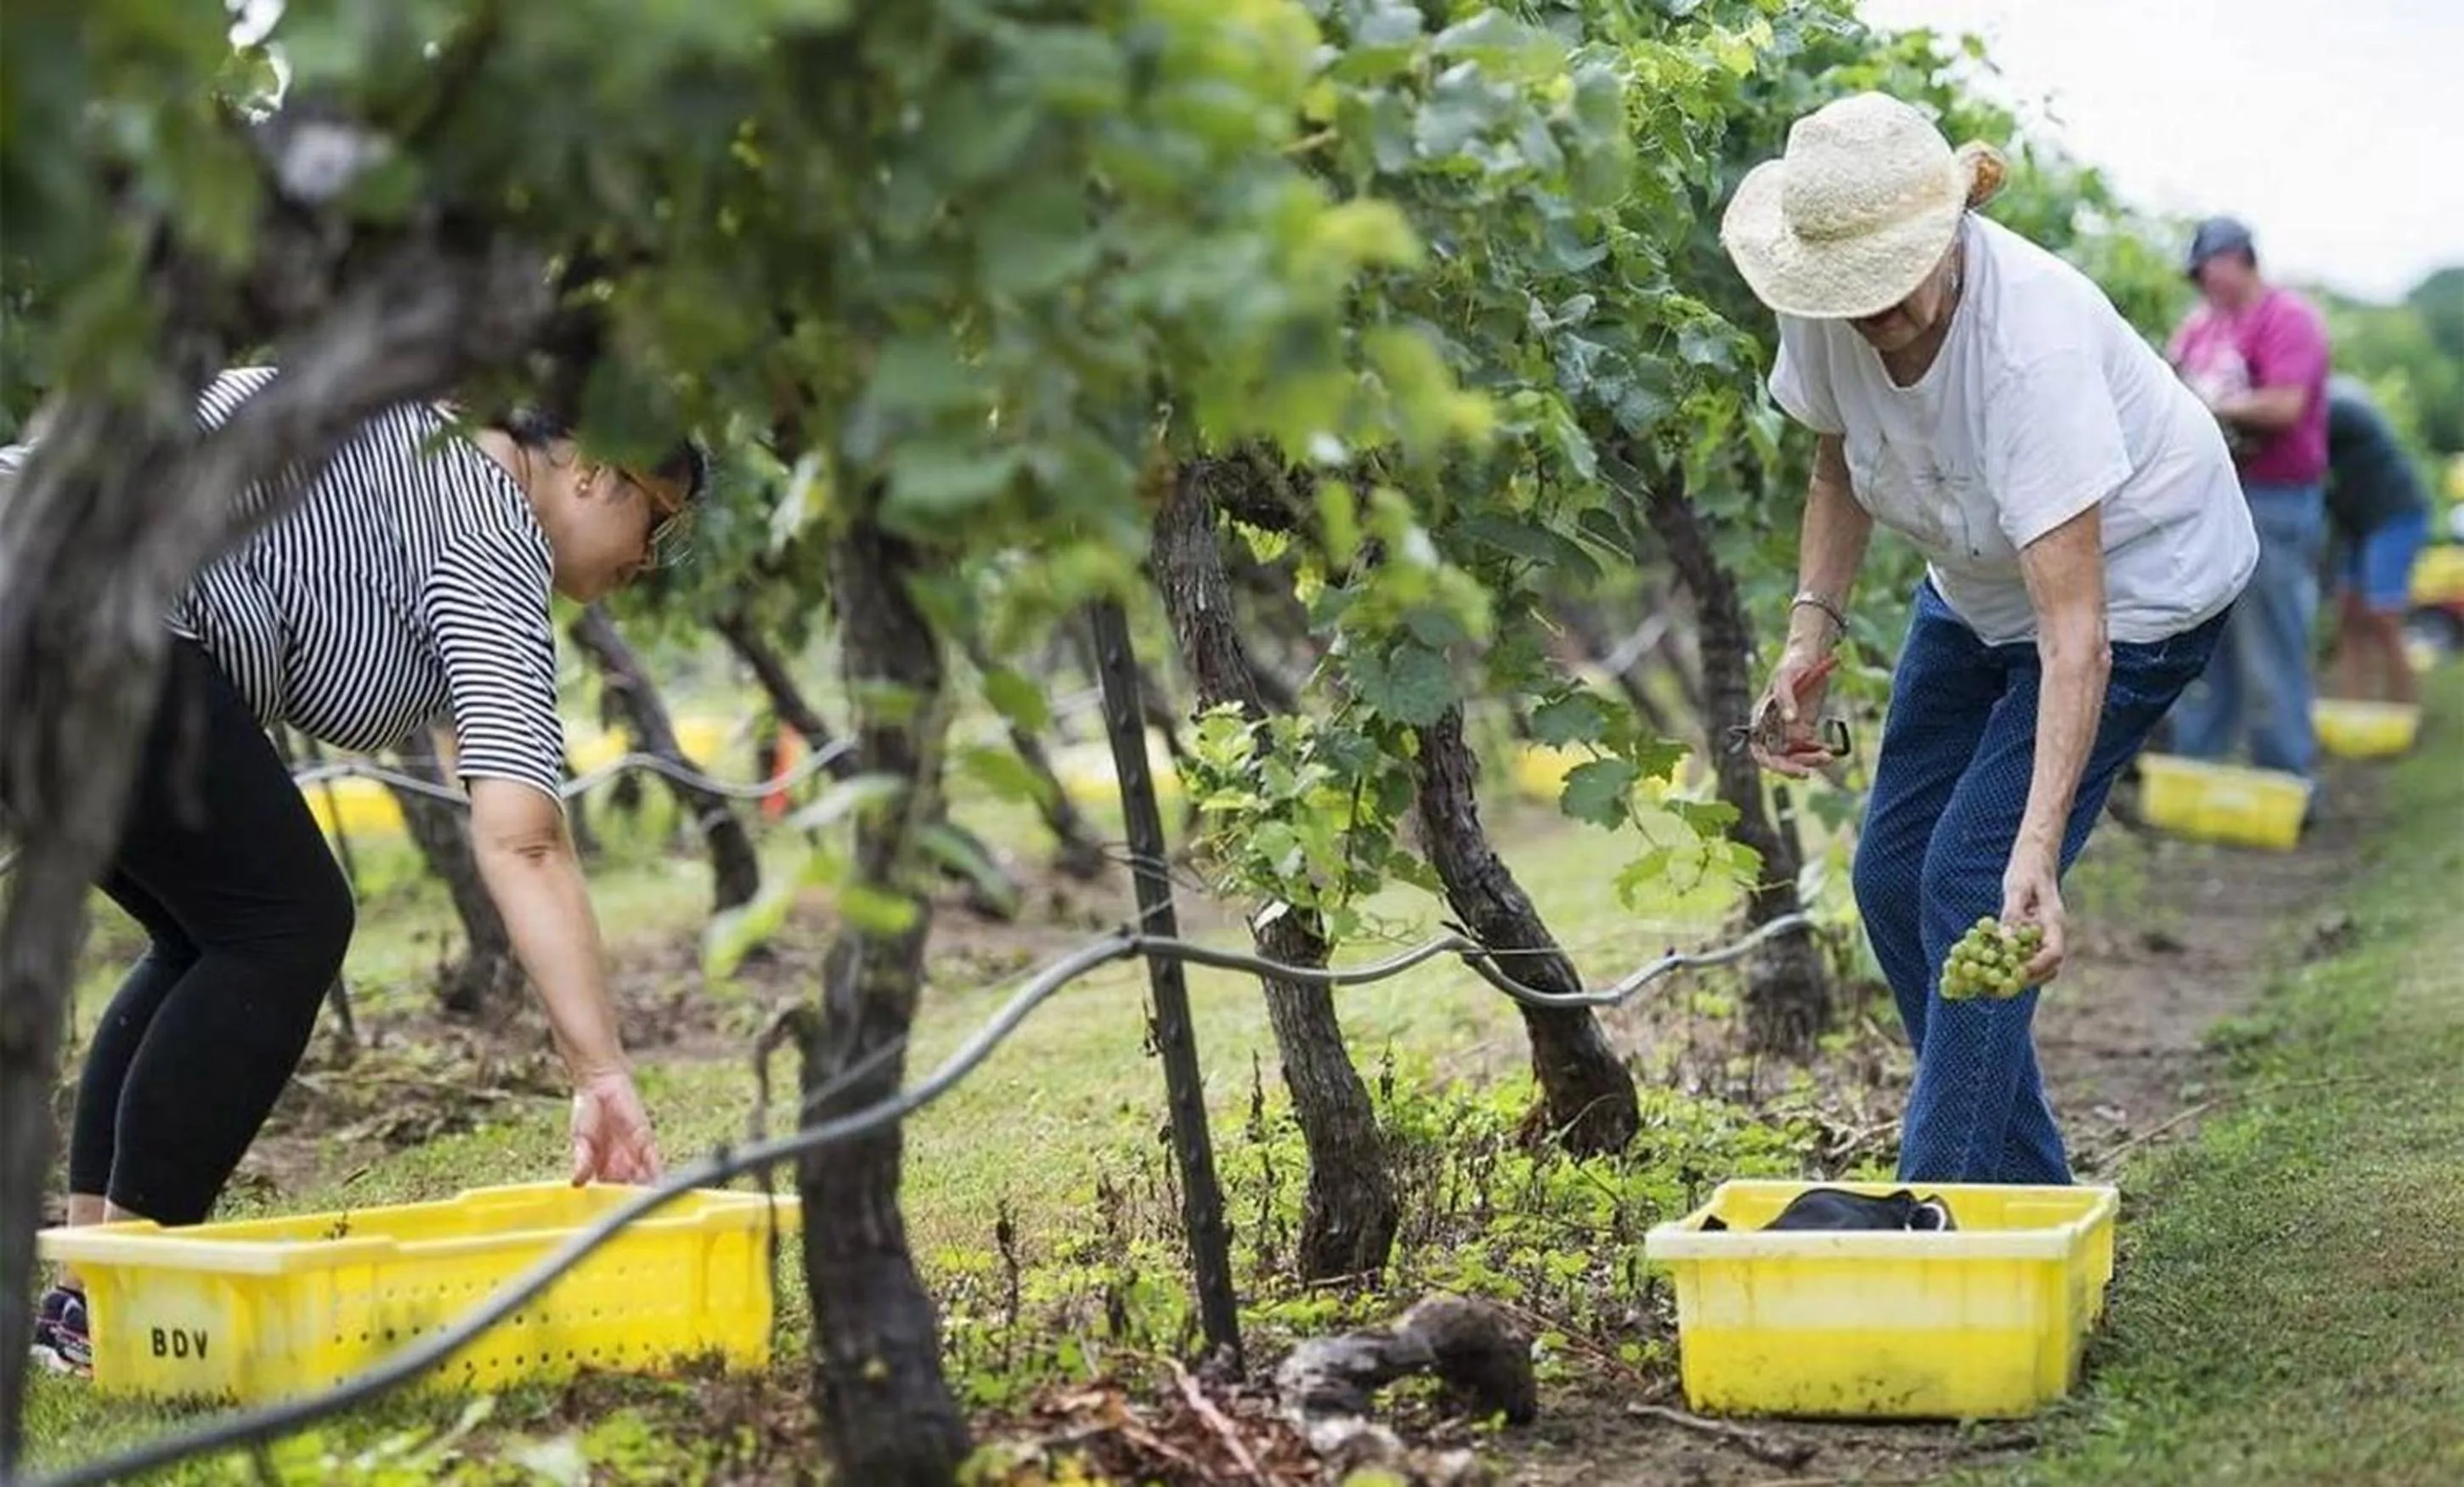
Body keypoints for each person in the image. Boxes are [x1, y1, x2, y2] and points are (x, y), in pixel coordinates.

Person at [1, 368, 703, 1376]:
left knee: (210, 933)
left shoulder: (408, 433)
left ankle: (84, 1296)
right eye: (660, 519)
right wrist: (600, 1073)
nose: (650, 557)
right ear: (593, 471)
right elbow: (525, 839)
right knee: (286, 930)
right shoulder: (490, 525)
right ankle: (114, 1309)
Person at [1718, 93, 2257, 1185]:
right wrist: (1803, 634)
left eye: (1888, 279)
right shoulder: (1821, 297)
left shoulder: (2029, 350)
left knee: (1972, 881)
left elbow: (2076, 631)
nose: (1866, 310)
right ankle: (2032, 1193)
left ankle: (1940, 1209)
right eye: (1846, 288)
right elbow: (1836, 463)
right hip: (1973, 585)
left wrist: (2036, 849)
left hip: (2138, 594)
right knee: (1885, 878)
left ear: (1948, 233)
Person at [2163, 216, 2334, 780]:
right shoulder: (2201, 326)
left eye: (2210, 269)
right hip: (2213, 500)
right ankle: (2198, 765)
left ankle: (2287, 775)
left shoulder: (2289, 319)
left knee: (2272, 642)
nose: (2204, 283)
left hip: (2276, 500)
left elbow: (2286, 405)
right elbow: (2169, 384)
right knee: (2208, 641)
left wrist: (2211, 403)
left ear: (2240, 258)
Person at [2321, 374, 2431, 705]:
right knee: (2349, 613)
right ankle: (2357, 706)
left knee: (2383, 615)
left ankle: (2404, 708)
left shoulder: (2339, 407)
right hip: (2358, 523)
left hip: (2394, 515)